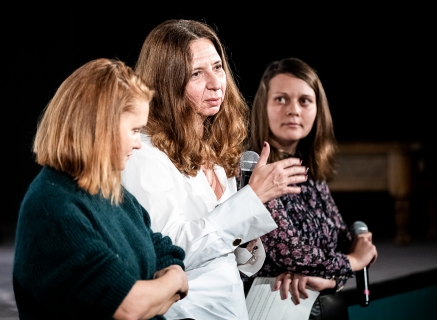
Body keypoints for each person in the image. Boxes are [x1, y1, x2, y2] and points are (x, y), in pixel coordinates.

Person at [121, 19, 308, 320]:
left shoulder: (212, 146)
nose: (216, 82)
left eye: (218, 67)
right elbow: (170, 251)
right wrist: (249, 202)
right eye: (197, 73)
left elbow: (227, 253)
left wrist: (247, 240)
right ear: (167, 81)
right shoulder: (144, 153)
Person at [13, 58, 189, 320]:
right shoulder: (52, 208)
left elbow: (162, 250)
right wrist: (172, 283)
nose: (139, 144)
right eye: (134, 130)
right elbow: (130, 307)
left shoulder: (110, 191)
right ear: (100, 127)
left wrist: (168, 276)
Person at [245, 57, 378, 320]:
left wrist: (329, 281)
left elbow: (342, 240)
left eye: (304, 100)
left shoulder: (309, 171)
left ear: (318, 109)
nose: (293, 109)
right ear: (263, 106)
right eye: (281, 99)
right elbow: (289, 250)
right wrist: (353, 262)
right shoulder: (253, 169)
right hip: (268, 306)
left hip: (307, 302)